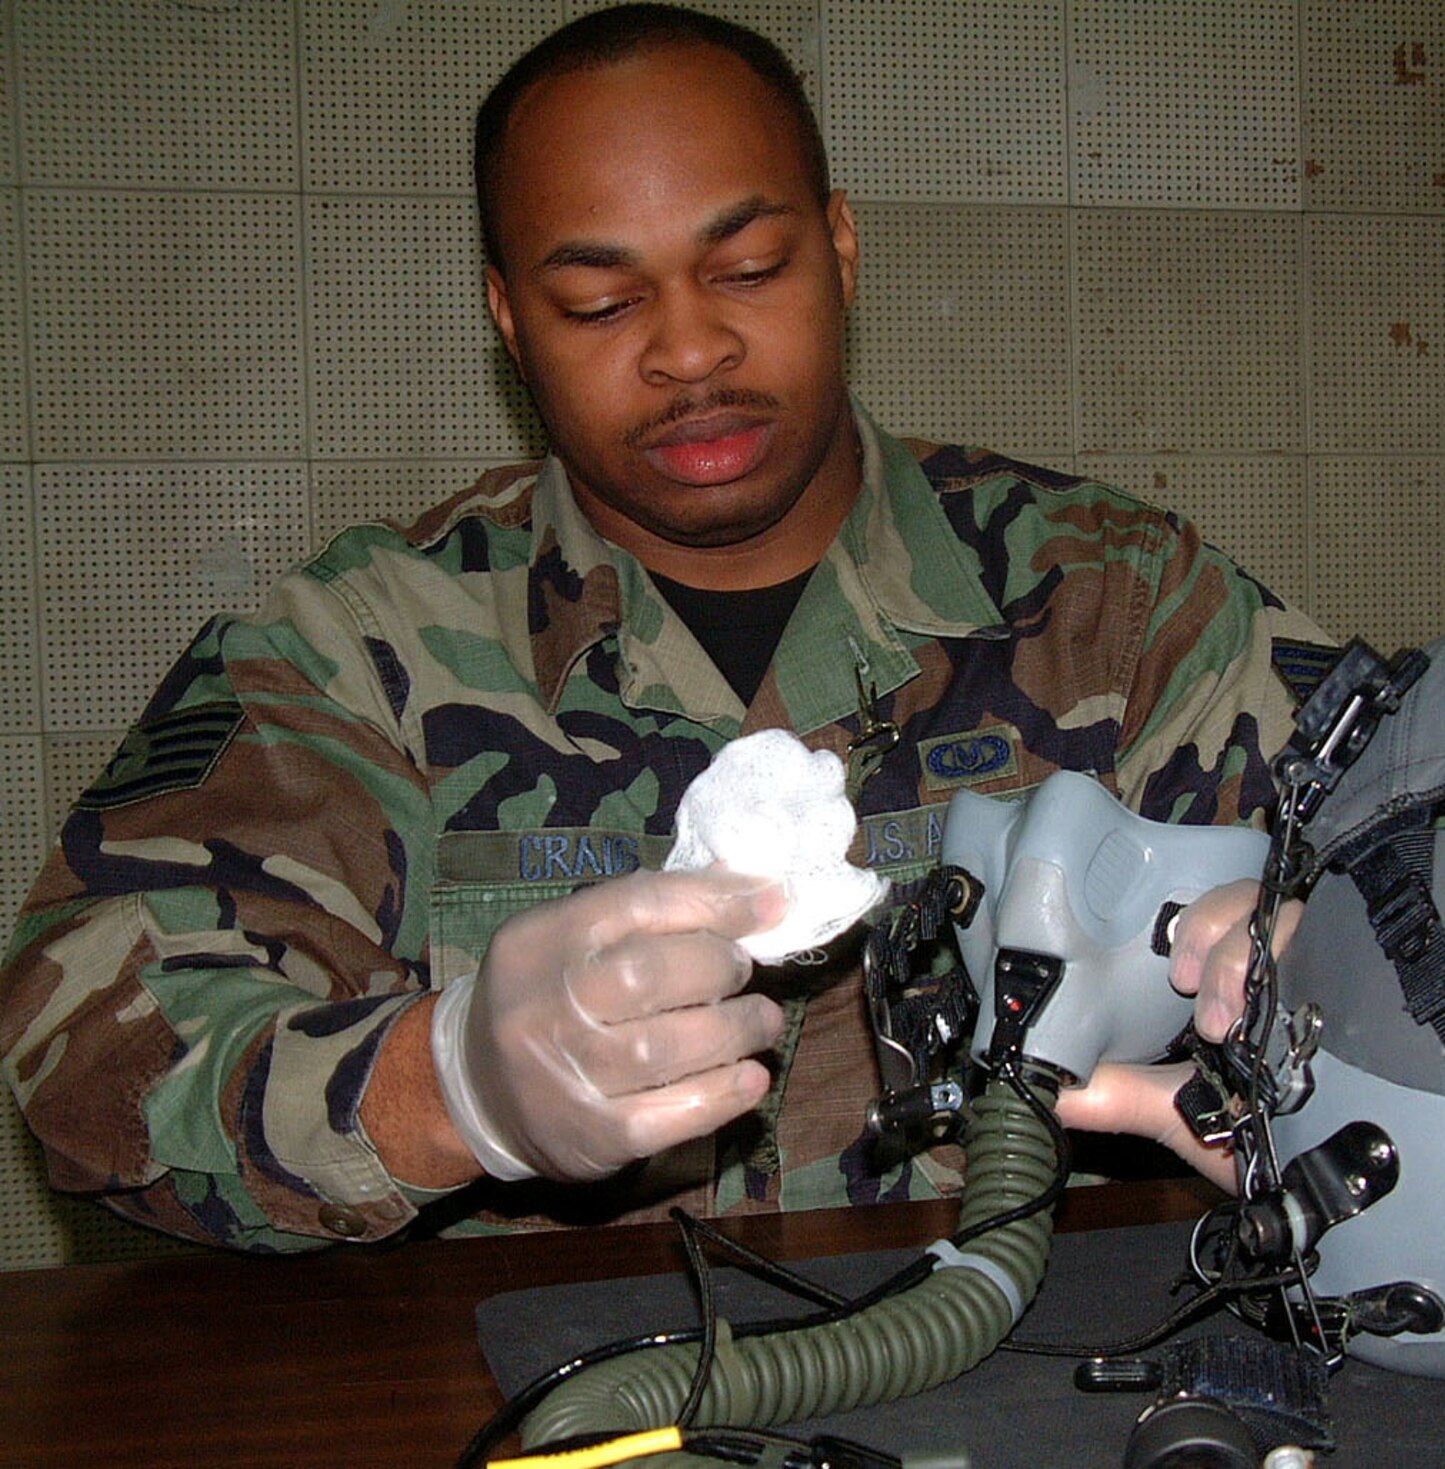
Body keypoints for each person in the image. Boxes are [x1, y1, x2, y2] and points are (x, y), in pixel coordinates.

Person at [0, 4, 1317, 1252]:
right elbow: (91, 1048)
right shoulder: (372, 650)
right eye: (601, 302)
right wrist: (449, 1084)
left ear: (841, 253)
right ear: (510, 320)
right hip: (536, 1385)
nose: (691, 349)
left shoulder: (1114, 605)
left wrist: (1328, 963)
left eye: (746, 267)